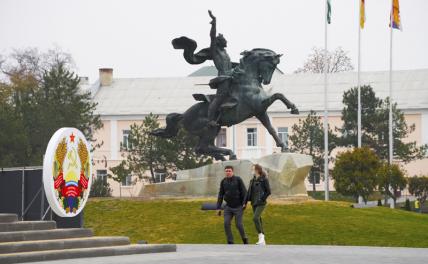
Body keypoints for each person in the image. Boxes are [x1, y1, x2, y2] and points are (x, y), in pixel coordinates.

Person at [217, 165, 248, 244]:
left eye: (229, 171)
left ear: (232, 172)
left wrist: (244, 203)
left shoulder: (238, 180)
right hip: (228, 207)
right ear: (225, 172)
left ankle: (244, 239)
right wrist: (218, 208)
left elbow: (244, 192)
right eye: (226, 171)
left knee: (238, 224)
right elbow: (220, 195)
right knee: (226, 223)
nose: (228, 172)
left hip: (238, 206)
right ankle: (230, 241)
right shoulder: (223, 181)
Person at [245, 164, 271, 245]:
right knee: (258, 219)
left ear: (257, 170)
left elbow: (268, 191)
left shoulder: (264, 180)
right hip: (254, 202)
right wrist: (245, 202)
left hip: (261, 202)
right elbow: (249, 192)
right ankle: (262, 240)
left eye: (253, 169)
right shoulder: (252, 180)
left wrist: (262, 198)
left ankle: (261, 236)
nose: (252, 170)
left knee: (255, 218)